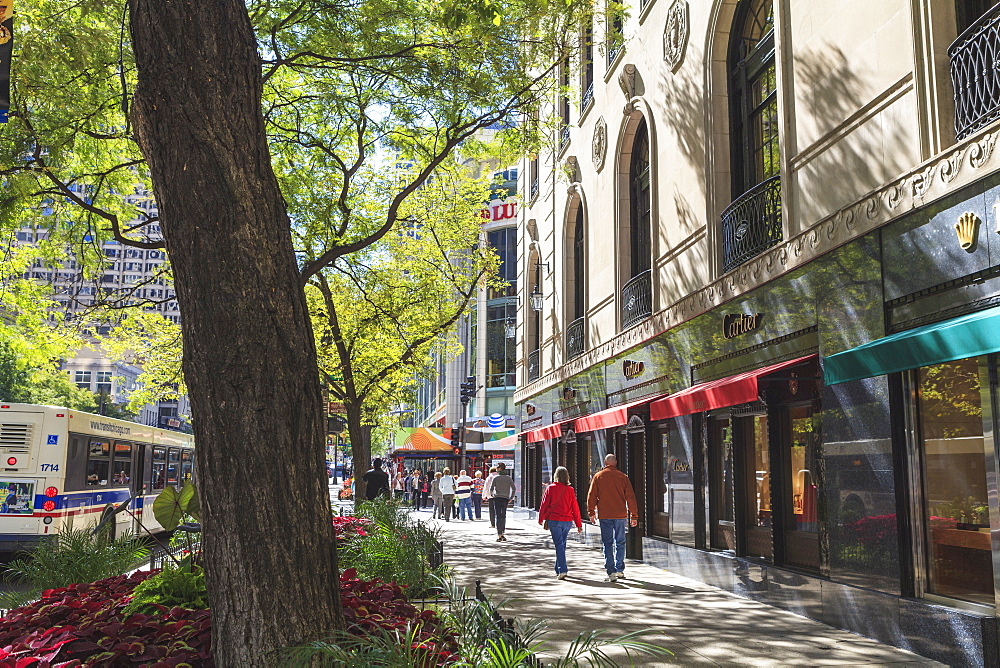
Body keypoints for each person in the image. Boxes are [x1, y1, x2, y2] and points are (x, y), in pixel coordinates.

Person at [586, 453, 638, 582]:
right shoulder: (623, 477)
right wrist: (634, 515)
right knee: (620, 542)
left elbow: (591, 496)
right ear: (616, 462)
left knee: (607, 543)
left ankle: (611, 571)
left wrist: (591, 512)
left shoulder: (598, 477)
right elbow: (630, 497)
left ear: (605, 463)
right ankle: (620, 568)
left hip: (604, 515)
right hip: (620, 514)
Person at [538, 466, 583, 579]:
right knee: (562, 545)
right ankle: (558, 568)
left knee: (559, 545)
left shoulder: (550, 488)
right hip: (567, 521)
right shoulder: (570, 490)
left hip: (554, 520)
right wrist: (578, 524)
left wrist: (541, 518)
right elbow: (575, 507)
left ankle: (562, 570)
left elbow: (544, 504)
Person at [487, 462, 515, 541]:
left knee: (498, 515)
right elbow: (513, 488)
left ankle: (499, 534)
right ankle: (502, 532)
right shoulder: (508, 478)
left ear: (499, 469)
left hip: (497, 498)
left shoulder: (495, 478)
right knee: (503, 515)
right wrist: (511, 497)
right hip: (505, 498)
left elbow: (491, 489)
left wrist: (492, 495)